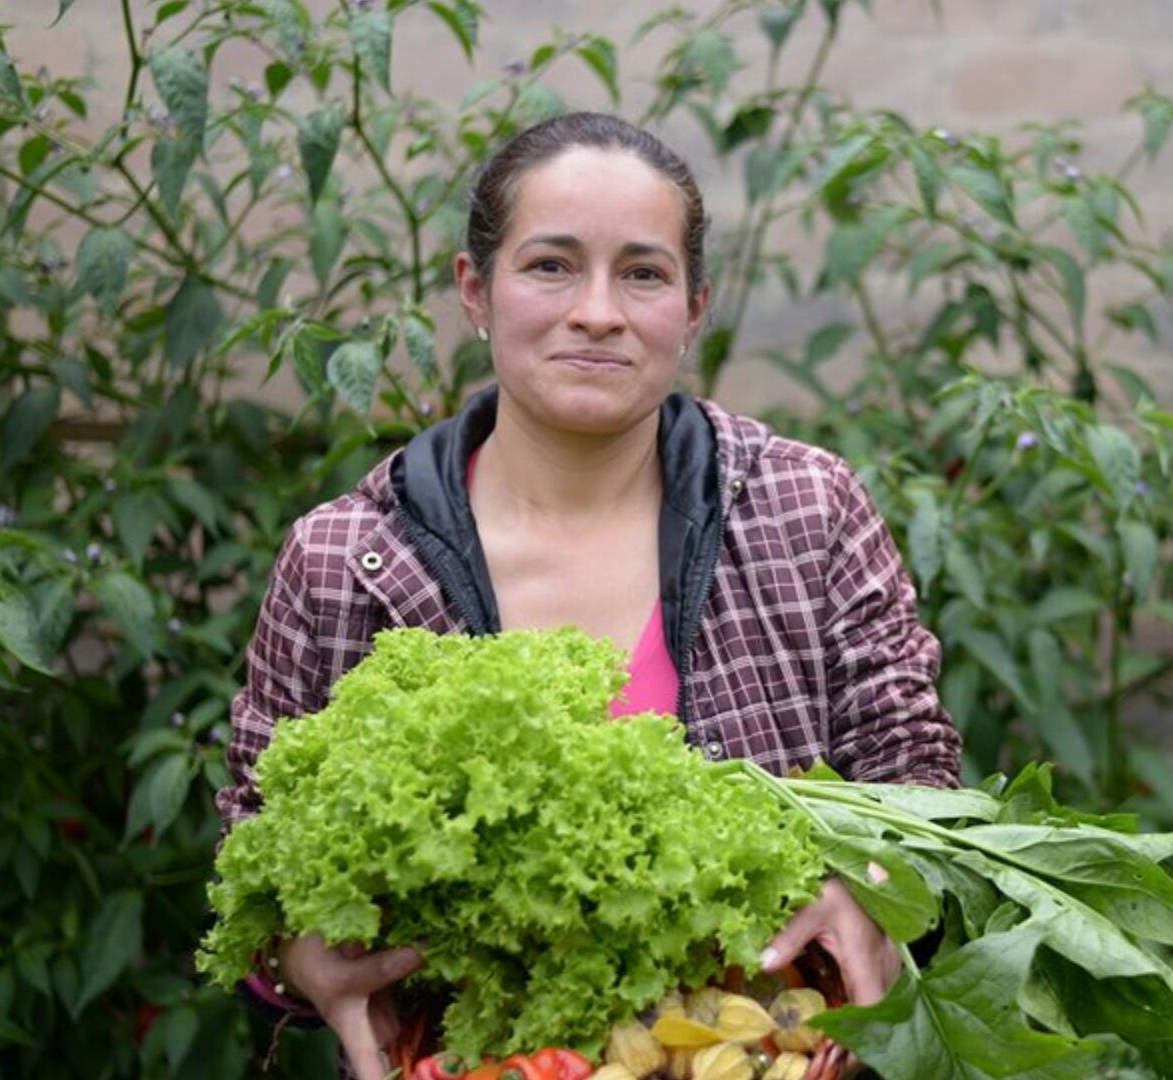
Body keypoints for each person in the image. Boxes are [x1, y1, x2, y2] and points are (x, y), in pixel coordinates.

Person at [213, 111, 963, 1078]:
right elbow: (254, 855)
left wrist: (872, 890)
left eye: (643, 273)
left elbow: (919, 784)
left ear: (695, 310)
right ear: (474, 290)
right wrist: (299, 962)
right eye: (552, 265)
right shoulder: (348, 559)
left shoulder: (803, 510)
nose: (598, 311)